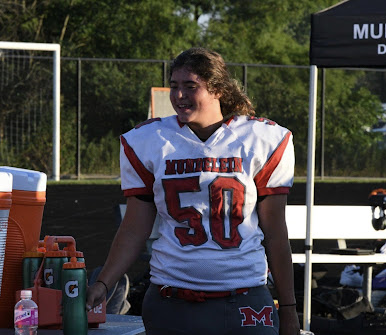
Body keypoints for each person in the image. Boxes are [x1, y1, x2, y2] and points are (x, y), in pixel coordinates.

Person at [86, 47, 300, 335]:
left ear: (219, 90)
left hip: (244, 297)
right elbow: (134, 228)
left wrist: (288, 309)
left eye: (190, 86)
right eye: (174, 86)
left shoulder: (261, 139)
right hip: (171, 299)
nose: (179, 95)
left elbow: (275, 233)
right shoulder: (151, 139)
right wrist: (104, 284)